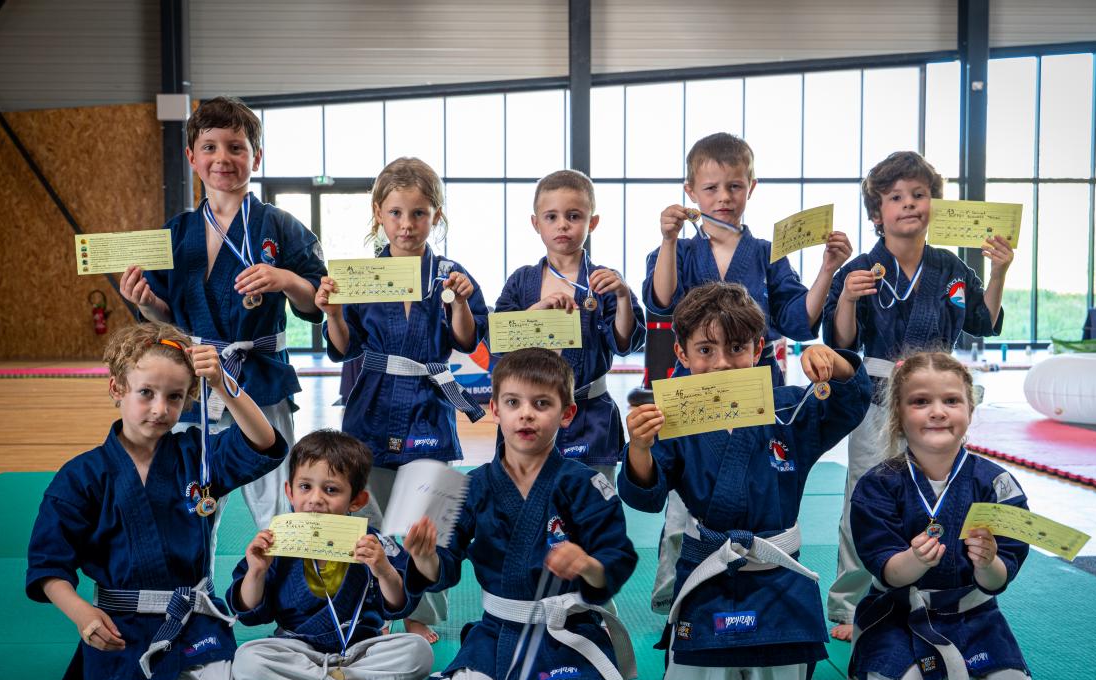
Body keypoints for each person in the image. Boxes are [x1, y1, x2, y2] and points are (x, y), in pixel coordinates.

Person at [619, 282, 870, 680]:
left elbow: (849, 404)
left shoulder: (788, 409)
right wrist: (639, 446)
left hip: (776, 576)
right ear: (681, 353)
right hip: (709, 574)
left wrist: (837, 363)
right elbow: (646, 495)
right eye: (705, 350)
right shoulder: (674, 417)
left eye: (736, 348)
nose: (721, 363)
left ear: (757, 350)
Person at [26, 322, 286, 680]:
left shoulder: (198, 456)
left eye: (175, 397)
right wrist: (82, 613)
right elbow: (48, 564)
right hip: (122, 624)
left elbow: (264, 443)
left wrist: (223, 385)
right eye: (146, 392)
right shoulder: (81, 477)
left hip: (193, 616)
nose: (160, 409)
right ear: (117, 389)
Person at [643, 131, 853, 613]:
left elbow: (798, 319)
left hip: (755, 386)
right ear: (690, 191)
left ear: (751, 188)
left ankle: (760, 583)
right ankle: (676, 593)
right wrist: (669, 240)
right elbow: (661, 301)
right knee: (682, 496)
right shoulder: (679, 250)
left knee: (758, 484)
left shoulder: (766, 252)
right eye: (711, 187)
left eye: (734, 186)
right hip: (693, 387)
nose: (724, 197)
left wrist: (827, 269)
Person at [823, 151, 1014, 641]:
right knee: (864, 494)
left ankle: (934, 592)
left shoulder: (951, 267)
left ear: (935, 204)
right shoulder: (861, 268)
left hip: (937, 393)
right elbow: (842, 341)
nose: (909, 204)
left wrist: (998, 272)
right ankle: (850, 605)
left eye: (919, 194)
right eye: (895, 197)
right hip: (878, 393)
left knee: (937, 492)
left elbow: (983, 322)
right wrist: (848, 297)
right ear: (877, 212)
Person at [404, 348, 638, 680]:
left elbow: (616, 556)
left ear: (567, 413)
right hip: (499, 630)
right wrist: (425, 557)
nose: (526, 414)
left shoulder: (585, 484)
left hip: (565, 630)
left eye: (541, 404)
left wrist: (586, 564)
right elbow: (443, 566)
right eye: (513, 403)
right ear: (495, 409)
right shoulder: (468, 485)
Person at [118, 95, 325, 536]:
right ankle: (197, 580)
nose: (222, 158)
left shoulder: (281, 226)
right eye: (209, 147)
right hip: (194, 382)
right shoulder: (175, 233)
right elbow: (165, 319)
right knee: (193, 506)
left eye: (236, 147)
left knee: (278, 505)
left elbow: (315, 304)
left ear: (256, 157)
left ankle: (282, 580)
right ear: (191, 157)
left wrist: (286, 279)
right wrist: (145, 302)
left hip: (261, 380)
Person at [316, 156, 488, 643]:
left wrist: (459, 302)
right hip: (372, 405)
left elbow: (466, 339)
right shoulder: (361, 276)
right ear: (378, 213)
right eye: (395, 213)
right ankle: (375, 608)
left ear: (436, 216)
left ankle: (421, 615)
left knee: (424, 520)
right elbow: (343, 348)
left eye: (419, 213)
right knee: (367, 514)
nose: (406, 224)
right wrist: (333, 312)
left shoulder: (450, 274)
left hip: (428, 407)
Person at [848, 350, 1040, 680]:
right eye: (921, 402)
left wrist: (988, 562)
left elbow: (999, 578)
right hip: (899, 616)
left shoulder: (996, 484)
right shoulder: (877, 486)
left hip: (974, 617)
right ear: (898, 414)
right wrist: (914, 560)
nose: (937, 412)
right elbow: (887, 570)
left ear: (970, 408)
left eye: (951, 400)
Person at [228, 429, 434, 680]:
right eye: (305, 487)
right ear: (289, 492)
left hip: (359, 652)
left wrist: (383, 570)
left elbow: (398, 605)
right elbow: (250, 613)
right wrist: (256, 571)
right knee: (248, 660)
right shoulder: (275, 544)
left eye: (331, 490)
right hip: (297, 653)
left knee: (418, 651)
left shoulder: (373, 544)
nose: (315, 499)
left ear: (357, 500)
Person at [493, 169, 646, 483]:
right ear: (536, 223)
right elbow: (499, 344)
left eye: (574, 216)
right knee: (526, 494)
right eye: (551, 217)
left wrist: (622, 295)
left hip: (590, 412)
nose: (562, 224)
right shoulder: (521, 281)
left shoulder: (605, 280)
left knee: (594, 497)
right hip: (530, 413)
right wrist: (536, 311)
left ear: (592, 222)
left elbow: (624, 343)